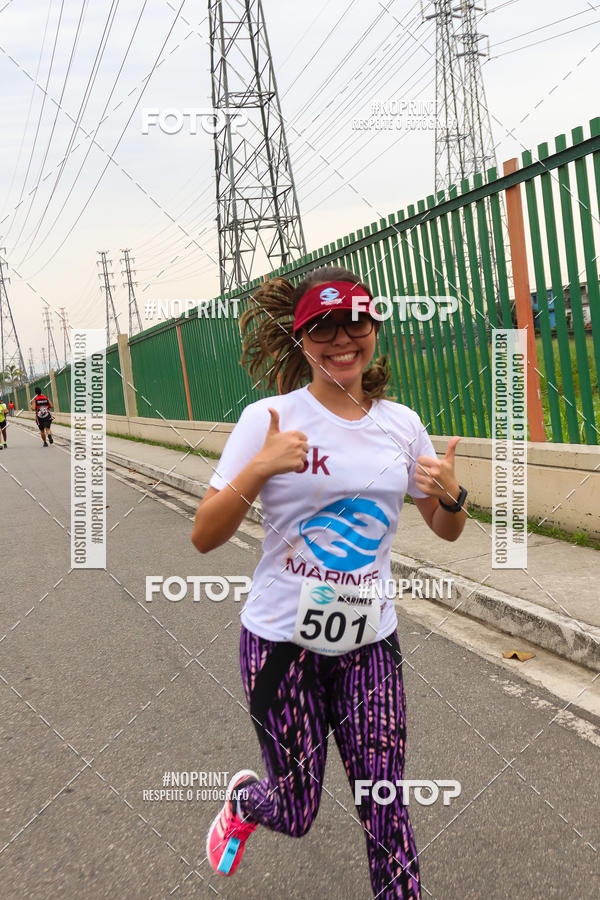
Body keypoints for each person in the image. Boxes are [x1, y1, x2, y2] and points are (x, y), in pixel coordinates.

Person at [191, 267, 468, 897]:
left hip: (371, 644)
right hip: (281, 646)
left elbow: (444, 527)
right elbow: (205, 534)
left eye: (355, 322)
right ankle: (247, 800)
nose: (342, 338)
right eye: (323, 326)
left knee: (384, 804)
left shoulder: (402, 424)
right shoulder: (268, 419)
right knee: (295, 810)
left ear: (374, 329)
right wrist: (260, 468)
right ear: (301, 338)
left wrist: (453, 496)